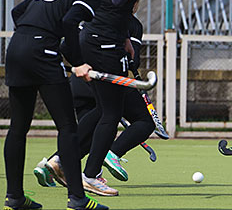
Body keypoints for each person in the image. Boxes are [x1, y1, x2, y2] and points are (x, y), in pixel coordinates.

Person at [3, 0, 109, 210]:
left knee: (18, 127)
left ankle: (14, 196)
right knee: (67, 128)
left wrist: (35, 37)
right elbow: (70, 21)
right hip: (42, 54)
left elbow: (18, 12)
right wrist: (76, 61)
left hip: (16, 48)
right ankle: (77, 198)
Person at [57, 0, 153, 196]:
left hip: (105, 40)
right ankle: (90, 174)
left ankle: (63, 161)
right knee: (110, 113)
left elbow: (114, 8)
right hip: (103, 46)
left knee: (104, 110)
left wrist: (124, 37)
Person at [34, 14, 155, 190]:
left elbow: (66, 46)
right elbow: (132, 60)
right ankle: (111, 155)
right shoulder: (131, 22)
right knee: (143, 121)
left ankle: (56, 161)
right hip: (106, 78)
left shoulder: (93, 17)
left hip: (79, 82)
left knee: (92, 136)